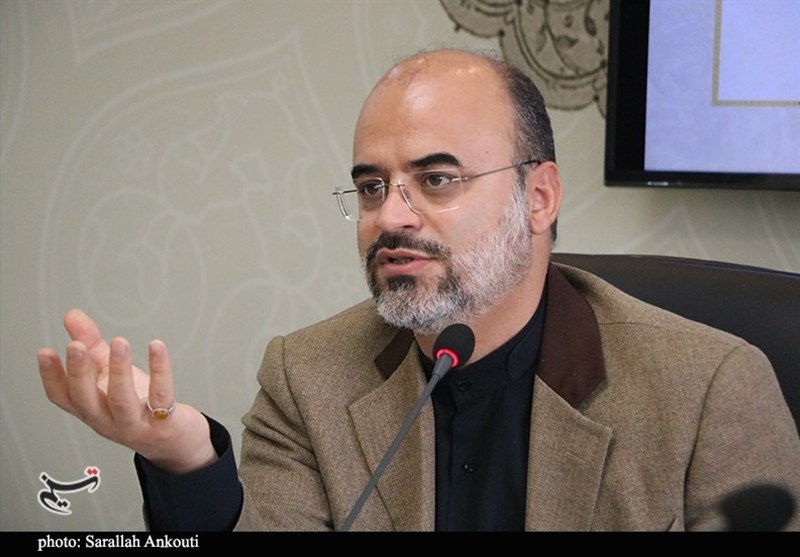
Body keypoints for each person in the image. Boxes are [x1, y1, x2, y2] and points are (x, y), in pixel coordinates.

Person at [37, 48, 800, 531]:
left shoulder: (708, 389)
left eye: (436, 179)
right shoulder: (308, 375)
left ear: (538, 198)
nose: (390, 216)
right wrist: (185, 459)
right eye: (372, 186)